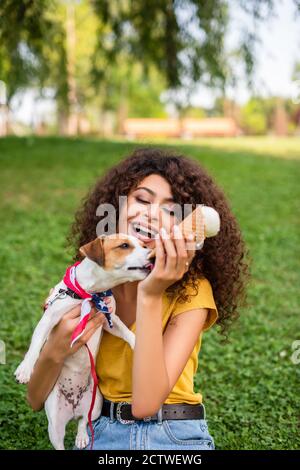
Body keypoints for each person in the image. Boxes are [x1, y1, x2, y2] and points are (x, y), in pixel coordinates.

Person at [26, 148, 250, 450]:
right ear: (116, 206)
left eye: (172, 210)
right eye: (142, 199)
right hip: (99, 432)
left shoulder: (193, 291)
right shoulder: (84, 291)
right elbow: (36, 399)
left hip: (174, 434)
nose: (152, 214)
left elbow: (145, 404)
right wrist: (55, 347)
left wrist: (151, 293)